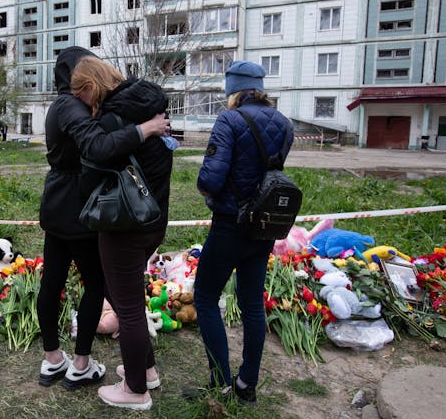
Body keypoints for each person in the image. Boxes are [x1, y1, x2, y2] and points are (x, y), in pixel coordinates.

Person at [37, 47, 169, 394]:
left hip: (57, 205)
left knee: (53, 281)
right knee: (98, 284)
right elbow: (96, 147)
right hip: (81, 208)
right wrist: (144, 130)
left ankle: (54, 359)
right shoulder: (75, 106)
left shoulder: (59, 105)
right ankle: (80, 363)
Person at [70, 56, 173, 411]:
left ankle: (134, 390)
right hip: (153, 218)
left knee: (126, 308)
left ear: (92, 85)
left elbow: (96, 150)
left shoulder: (117, 117)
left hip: (124, 223)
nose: (82, 103)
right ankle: (146, 370)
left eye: (81, 93)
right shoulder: (145, 106)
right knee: (126, 297)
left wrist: (138, 132)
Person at [192, 61, 294, 405]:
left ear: (232, 89)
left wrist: (210, 192)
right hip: (264, 226)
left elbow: (210, 179)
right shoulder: (285, 123)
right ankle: (246, 384)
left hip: (229, 226)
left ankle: (219, 383)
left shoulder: (229, 120)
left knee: (205, 298)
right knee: (252, 302)